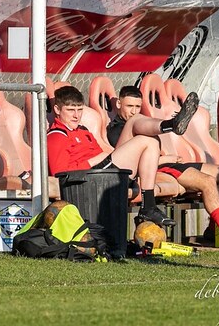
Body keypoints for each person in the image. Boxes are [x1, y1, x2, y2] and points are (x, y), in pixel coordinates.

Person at [106, 85, 219, 247]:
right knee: (208, 181)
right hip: (159, 166)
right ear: (119, 104)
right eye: (129, 106)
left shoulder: (142, 121)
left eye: (137, 107)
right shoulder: (116, 130)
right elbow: (132, 161)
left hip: (169, 162)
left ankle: (213, 229)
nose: (134, 112)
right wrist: (165, 158)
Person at [46, 85, 175, 227]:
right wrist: (94, 159)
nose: (76, 115)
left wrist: (103, 156)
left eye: (79, 110)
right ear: (57, 110)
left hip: (104, 172)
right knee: (146, 139)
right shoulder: (57, 136)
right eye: (71, 110)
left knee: (148, 135)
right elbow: (60, 173)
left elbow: (100, 154)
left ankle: (169, 125)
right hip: (92, 179)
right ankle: (148, 206)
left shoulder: (83, 131)